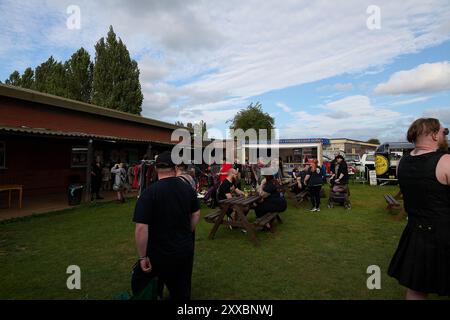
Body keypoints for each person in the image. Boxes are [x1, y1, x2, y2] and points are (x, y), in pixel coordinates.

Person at [388, 118, 450, 300]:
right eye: (443, 132)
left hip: (416, 232)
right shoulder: (446, 161)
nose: (444, 136)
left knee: (417, 288)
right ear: (433, 134)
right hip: (445, 234)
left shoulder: (402, 164)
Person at [133, 151, 200, 300]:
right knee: (181, 290)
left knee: (150, 285)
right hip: (183, 249)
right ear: (175, 167)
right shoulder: (188, 189)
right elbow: (196, 214)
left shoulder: (148, 193)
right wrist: (187, 232)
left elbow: (141, 227)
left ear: (156, 169)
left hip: (157, 252)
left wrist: (142, 257)